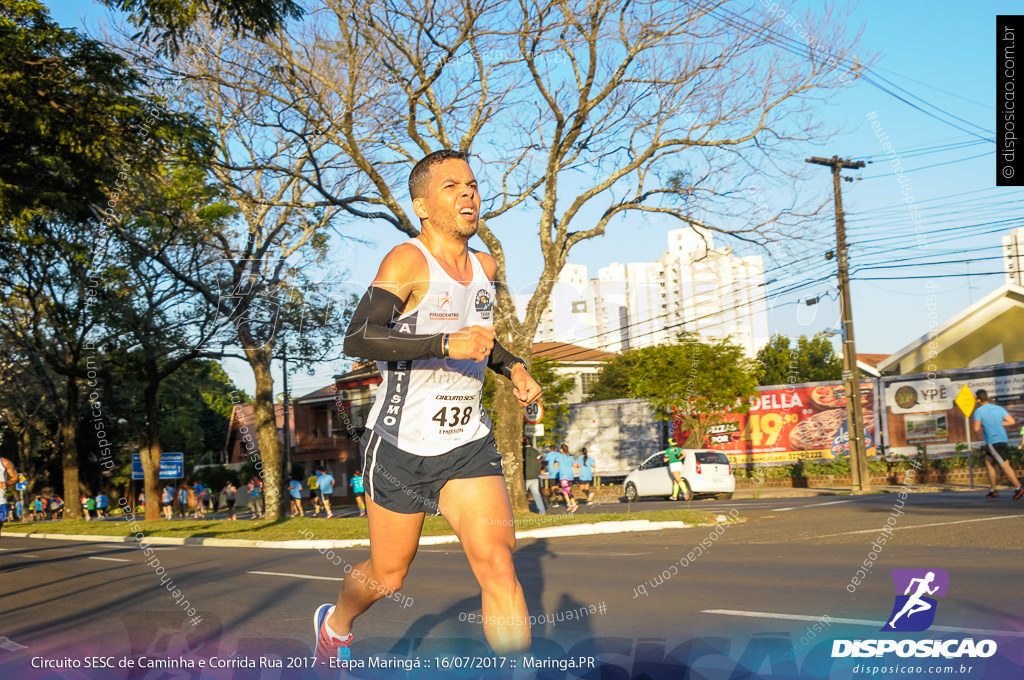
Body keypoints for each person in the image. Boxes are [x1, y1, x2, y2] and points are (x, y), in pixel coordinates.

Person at [312, 149, 542, 666]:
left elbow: (481, 340)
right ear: (422, 205)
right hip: (399, 448)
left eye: (472, 185)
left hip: (467, 443)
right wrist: (442, 345)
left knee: (499, 566)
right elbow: (359, 337)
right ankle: (336, 624)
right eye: (451, 187)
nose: (467, 194)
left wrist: (515, 367)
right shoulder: (408, 260)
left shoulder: (486, 266)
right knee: (388, 577)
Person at [972, 389, 1024, 500]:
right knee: (988, 462)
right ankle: (993, 490)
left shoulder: (979, 411)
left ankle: (1019, 487)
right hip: (1003, 439)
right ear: (988, 397)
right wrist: (998, 423)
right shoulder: (998, 408)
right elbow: (1012, 421)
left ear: (978, 400)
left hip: (992, 441)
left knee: (1004, 464)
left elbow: (976, 428)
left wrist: (985, 425)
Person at [522, 437, 545, 515]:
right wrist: (537, 471)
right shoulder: (535, 451)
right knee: (536, 494)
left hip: (526, 477)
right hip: (535, 476)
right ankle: (542, 511)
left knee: (523, 494)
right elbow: (540, 462)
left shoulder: (522, 452)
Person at [556, 444, 577, 512]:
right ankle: (569, 504)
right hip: (570, 475)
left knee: (567, 490)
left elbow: (555, 465)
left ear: (562, 449)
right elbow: (574, 465)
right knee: (565, 491)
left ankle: (574, 504)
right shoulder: (570, 457)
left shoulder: (559, 456)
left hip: (563, 475)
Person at [0, 457, 16, 540]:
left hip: (1, 500)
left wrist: (7, 483)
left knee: (1, 521)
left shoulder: (5, 463)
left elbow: (15, 477)